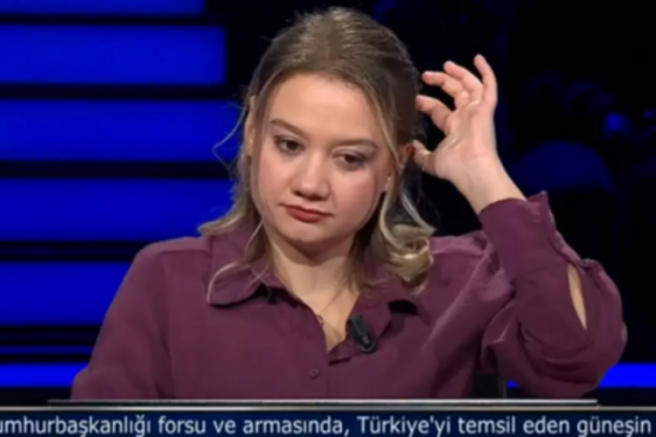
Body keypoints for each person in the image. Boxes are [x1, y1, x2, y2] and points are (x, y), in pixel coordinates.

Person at [72, 7, 625, 399]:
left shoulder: (460, 282)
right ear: (253, 132)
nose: (311, 184)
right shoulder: (168, 283)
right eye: (289, 145)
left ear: (394, 166)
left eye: (350, 159)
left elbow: (576, 356)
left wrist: (485, 176)